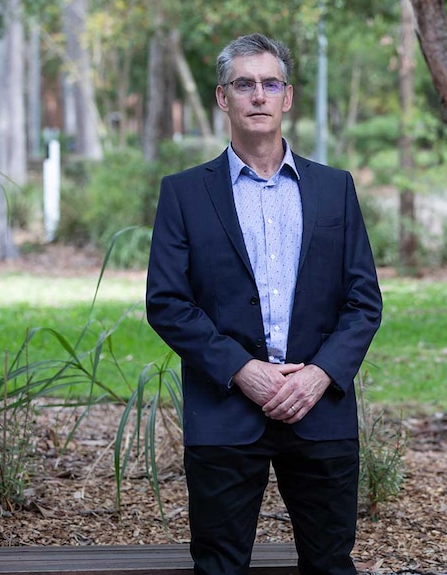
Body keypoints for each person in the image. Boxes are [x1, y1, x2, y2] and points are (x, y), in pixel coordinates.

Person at [145, 33, 382, 575]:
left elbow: (363, 300)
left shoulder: (334, 188)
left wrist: (319, 375)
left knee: (330, 564)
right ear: (222, 98)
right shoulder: (183, 193)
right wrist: (242, 371)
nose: (258, 95)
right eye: (244, 84)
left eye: (269, 84)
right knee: (220, 566)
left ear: (288, 97)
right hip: (225, 412)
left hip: (318, 410)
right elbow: (167, 302)